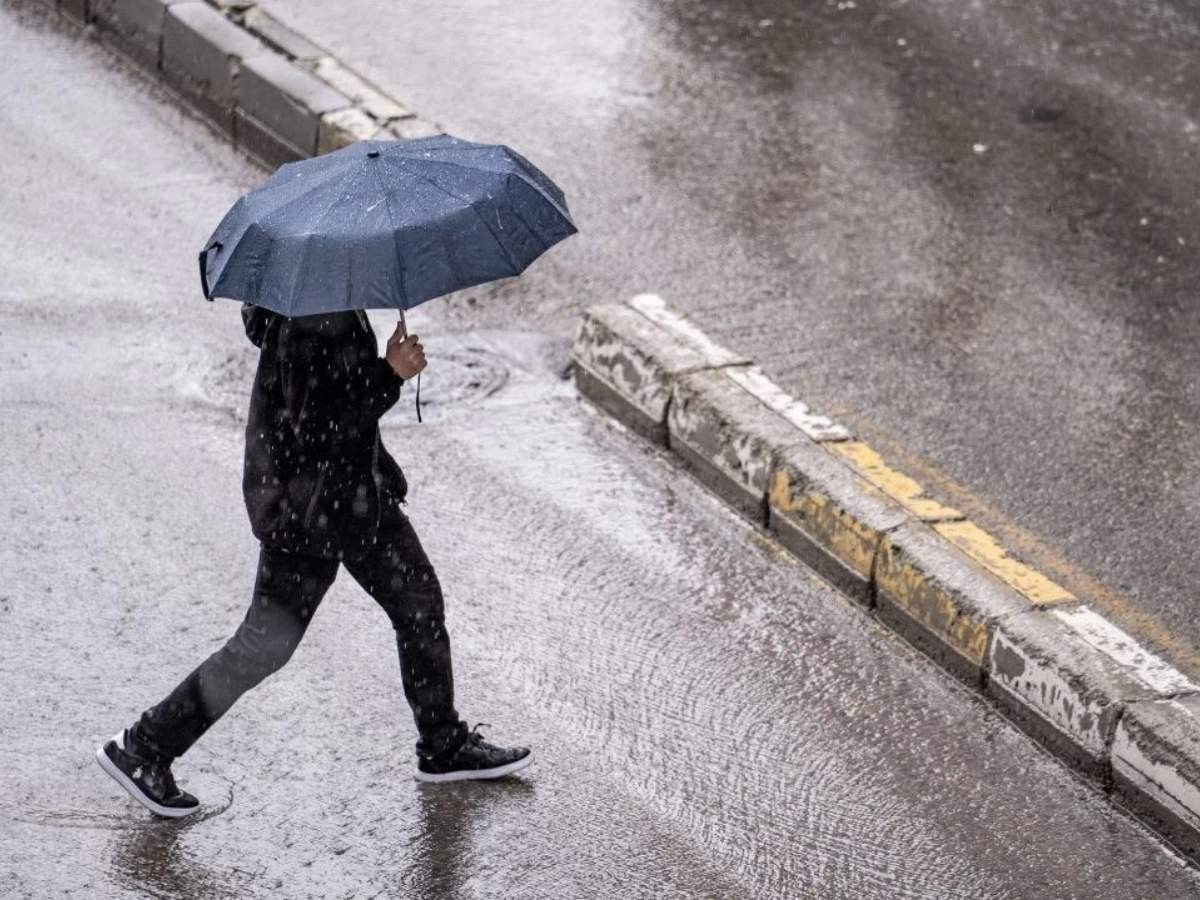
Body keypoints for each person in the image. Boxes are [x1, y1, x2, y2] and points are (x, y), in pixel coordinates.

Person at [95, 304, 531, 817]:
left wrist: (380, 448)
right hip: (307, 511)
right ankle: (144, 748)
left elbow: (335, 406)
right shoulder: (308, 318)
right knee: (263, 646)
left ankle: (443, 745)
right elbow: (320, 430)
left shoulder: (329, 301)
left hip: (355, 497)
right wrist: (390, 374)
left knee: (419, 603)